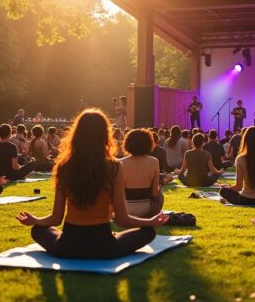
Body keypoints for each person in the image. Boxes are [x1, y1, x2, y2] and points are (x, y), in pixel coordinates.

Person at [16, 110, 167, 259]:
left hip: (67, 246)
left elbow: (56, 219)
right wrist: (150, 221)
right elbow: (123, 219)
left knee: (37, 230)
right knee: (148, 232)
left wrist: (35, 220)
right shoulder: (114, 167)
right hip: (104, 247)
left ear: (76, 135)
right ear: (104, 135)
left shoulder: (64, 166)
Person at [120, 129, 164, 217]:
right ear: (149, 143)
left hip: (123, 209)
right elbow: (155, 193)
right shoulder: (154, 162)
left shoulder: (120, 162)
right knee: (160, 192)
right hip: (147, 210)